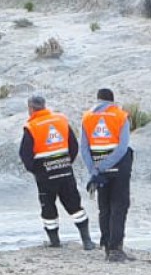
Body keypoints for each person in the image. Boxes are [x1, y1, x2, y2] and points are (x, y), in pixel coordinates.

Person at [19, 94, 94, 249]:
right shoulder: (61, 120)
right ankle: (87, 241)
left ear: (31, 108)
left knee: (48, 208)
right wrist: (66, 163)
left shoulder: (31, 126)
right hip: (65, 172)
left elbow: (25, 154)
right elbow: (73, 146)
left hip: (45, 176)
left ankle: (55, 242)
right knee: (75, 206)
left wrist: (36, 170)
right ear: (45, 105)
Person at [82, 87, 135, 262]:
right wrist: (106, 165)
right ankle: (116, 249)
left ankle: (106, 246)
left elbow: (84, 148)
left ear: (97, 100)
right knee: (119, 207)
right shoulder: (121, 116)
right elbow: (122, 147)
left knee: (104, 209)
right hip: (118, 169)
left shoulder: (87, 117)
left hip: (99, 171)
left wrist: (94, 170)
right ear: (112, 101)